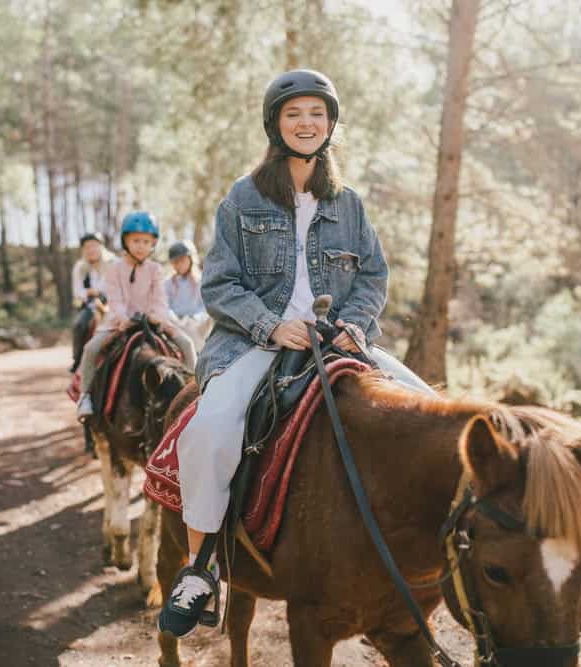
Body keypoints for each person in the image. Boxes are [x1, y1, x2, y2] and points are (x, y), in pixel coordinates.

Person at [157, 69, 434, 638]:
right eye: (294, 114)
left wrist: (352, 327)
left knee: (427, 408)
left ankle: (437, 562)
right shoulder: (244, 197)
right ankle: (201, 567)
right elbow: (219, 283)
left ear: (330, 124)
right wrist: (271, 325)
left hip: (340, 341)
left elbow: (374, 277)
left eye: (317, 114)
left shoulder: (349, 205)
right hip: (256, 341)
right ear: (275, 124)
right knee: (209, 428)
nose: (306, 123)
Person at [75, 212, 198, 419]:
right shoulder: (114, 269)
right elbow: (115, 300)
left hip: (153, 322)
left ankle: (194, 392)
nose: (141, 246)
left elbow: (160, 299)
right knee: (91, 348)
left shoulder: (156, 269)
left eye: (146, 242)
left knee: (186, 343)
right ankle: (85, 396)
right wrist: (124, 319)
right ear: (126, 241)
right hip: (119, 323)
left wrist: (157, 315)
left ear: (153, 244)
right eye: (136, 241)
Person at [69, 232, 114, 374]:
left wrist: (97, 291)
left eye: (94, 246)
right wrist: (89, 293)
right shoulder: (80, 267)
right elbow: (77, 291)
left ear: (101, 247)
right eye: (87, 247)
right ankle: (77, 359)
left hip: (112, 304)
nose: (91, 250)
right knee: (79, 325)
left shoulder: (112, 263)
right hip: (91, 305)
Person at [165, 240, 211, 350]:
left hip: (195, 323)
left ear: (190, 259)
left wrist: (196, 317)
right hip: (176, 323)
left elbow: (205, 307)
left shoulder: (201, 281)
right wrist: (173, 317)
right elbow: (165, 305)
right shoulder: (168, 283)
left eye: (182, 260)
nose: (179, 265)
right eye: (176, 262)